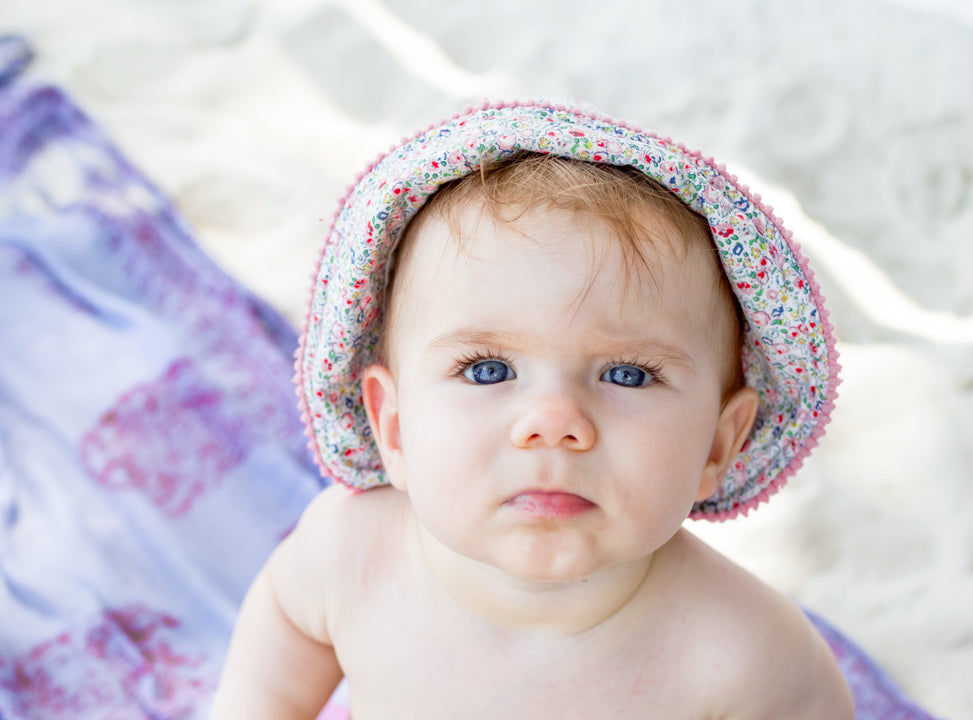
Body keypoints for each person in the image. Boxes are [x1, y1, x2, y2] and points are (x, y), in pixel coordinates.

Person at [211, 101, 853, 718]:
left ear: (718, 443)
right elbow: (288, 622)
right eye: (488, 370)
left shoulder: (745, 654)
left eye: (627, 374)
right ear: (396, 427)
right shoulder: (351, 553)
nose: (554, 421)